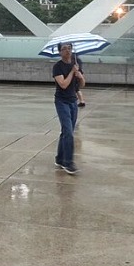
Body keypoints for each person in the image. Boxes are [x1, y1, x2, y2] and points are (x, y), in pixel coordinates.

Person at [52, 42, 82, 174]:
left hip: (73, 102)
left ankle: (59, 158)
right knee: (69, 132)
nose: (67, 51)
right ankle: (68, 162)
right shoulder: (57, 67)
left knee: (66, 131)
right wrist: (72, 72)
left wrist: (80, 76)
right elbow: (63, 84)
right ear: (59, 52)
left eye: (69, 48)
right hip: (61, 101)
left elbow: (82, 84)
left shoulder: (76, 63)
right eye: (64, 49)